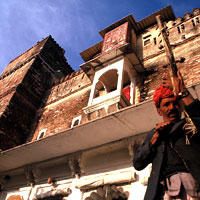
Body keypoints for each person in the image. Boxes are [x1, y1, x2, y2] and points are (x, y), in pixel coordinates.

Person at [133, 70, 200, 200]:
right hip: (164, 192)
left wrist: (182, 91)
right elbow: (138, 163)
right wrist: (155, 138)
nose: (172, 107)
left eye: (175, 103)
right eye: (166, 104)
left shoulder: (189, 125)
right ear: (159, 111)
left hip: (193, 189)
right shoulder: (153, 134)